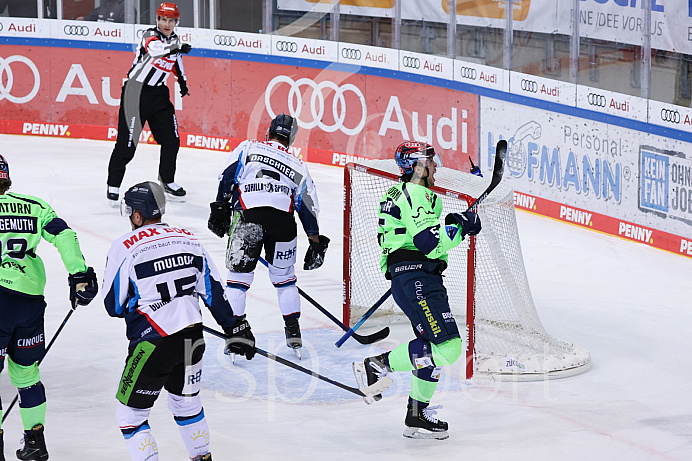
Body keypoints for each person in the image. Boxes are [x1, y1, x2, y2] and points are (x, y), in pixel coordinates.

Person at [103, 181, 255, 461]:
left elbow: (113, 305)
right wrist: (235, 327)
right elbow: (214, 292)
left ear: (137, 215)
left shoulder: (124, 247)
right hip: (192, 338)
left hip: (152, 343)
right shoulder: (189, 239)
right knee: (186, 405)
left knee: (130, 415)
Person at [353, 142, 482, 440]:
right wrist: (461, 228)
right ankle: (377, 365)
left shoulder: (400, 192)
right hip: (418, 279)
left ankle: (416, 414)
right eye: (430, 162)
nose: (435, 166)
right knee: (448, 348)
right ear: (417, 166)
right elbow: (429, 244)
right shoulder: (417, 193)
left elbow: (421, 236)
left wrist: (455, 224)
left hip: (412, 277)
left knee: (429, 348)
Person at [0, 154, 98, 460]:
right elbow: (64, 234)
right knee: (27, 375)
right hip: (29, 302)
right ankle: (35, 444)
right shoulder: (33, 205)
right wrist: (79, 274)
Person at [207, 113, 329, 357]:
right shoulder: (298, 164)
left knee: (238, 281)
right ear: (291, 139)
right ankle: (293, 333)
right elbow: (308, 204)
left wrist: (220, 208)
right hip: (283, 223)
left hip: (249, 217)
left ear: (268, 132)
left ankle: (234, 333)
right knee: (285, 279)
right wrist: (315, 240)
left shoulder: (248, 147)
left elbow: (227, 176)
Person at [106, 2, 191, 206]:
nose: (167, 24)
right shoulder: (149, 35)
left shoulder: (174, 41)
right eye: (163, 19)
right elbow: (155, 51)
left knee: (172, 140)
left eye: (171, 20)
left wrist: (182, 82)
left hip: (159, 95)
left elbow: (176, 63)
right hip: (136, 93)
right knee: (127, 146)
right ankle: (113, 185)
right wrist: (176, 46)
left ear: (176, 22)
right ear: (157, 20)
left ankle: (167, 180)